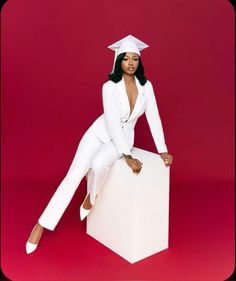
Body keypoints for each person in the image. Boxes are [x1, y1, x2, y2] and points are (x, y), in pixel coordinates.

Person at [26, 34, 173, 254]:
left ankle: (91, 197)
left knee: (98, 165)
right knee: (75, 174)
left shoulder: (146, 86)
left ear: (139, 61)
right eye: (126, 58)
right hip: (99, 133)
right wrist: (128, 155)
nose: (131, 63)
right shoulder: (109, 87)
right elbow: (112, 121)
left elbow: (153, 116)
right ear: (118, 61)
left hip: (123, 139)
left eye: (135, 59)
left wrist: (162, 150)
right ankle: (41, 225)